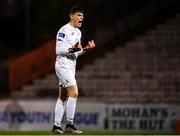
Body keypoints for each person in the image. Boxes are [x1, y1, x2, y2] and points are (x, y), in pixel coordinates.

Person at [52, 5, 95, 134]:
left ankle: (56, 126)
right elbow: (58, 50)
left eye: (82, 16)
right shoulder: (64, 30)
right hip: (63, 65)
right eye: (78, 15)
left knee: (63, 97)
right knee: (74, 92)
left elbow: (76, 53)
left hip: (71, 66)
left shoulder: (78, 32)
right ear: (71, 16)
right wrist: (72, 49)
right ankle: (70, 124)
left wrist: (86, 48)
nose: (81, 17)